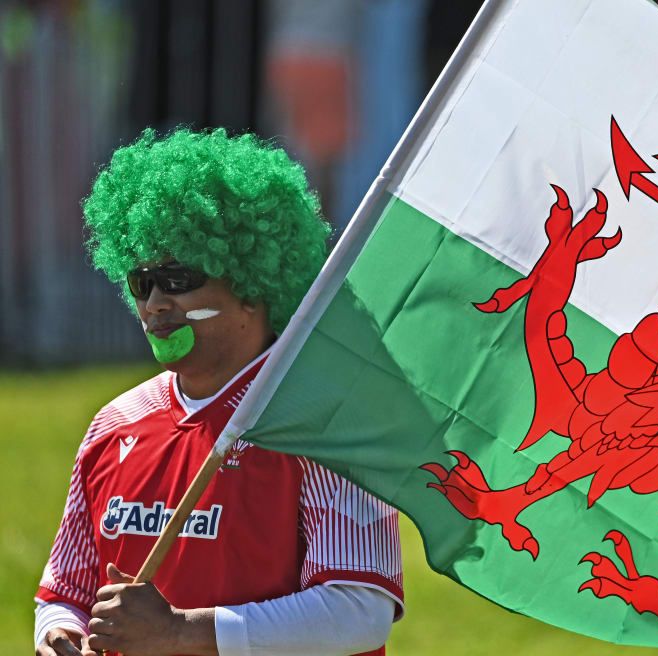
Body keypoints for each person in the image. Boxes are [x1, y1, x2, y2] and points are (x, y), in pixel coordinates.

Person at [34, 128, 403, 656]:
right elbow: (63, 592)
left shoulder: (323, 421)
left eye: (178, 277)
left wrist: (180, 631)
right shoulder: (115, 423)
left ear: (253, 285)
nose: (156, 302)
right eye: (143, 282)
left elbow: (359, 612)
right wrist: (58, 633)